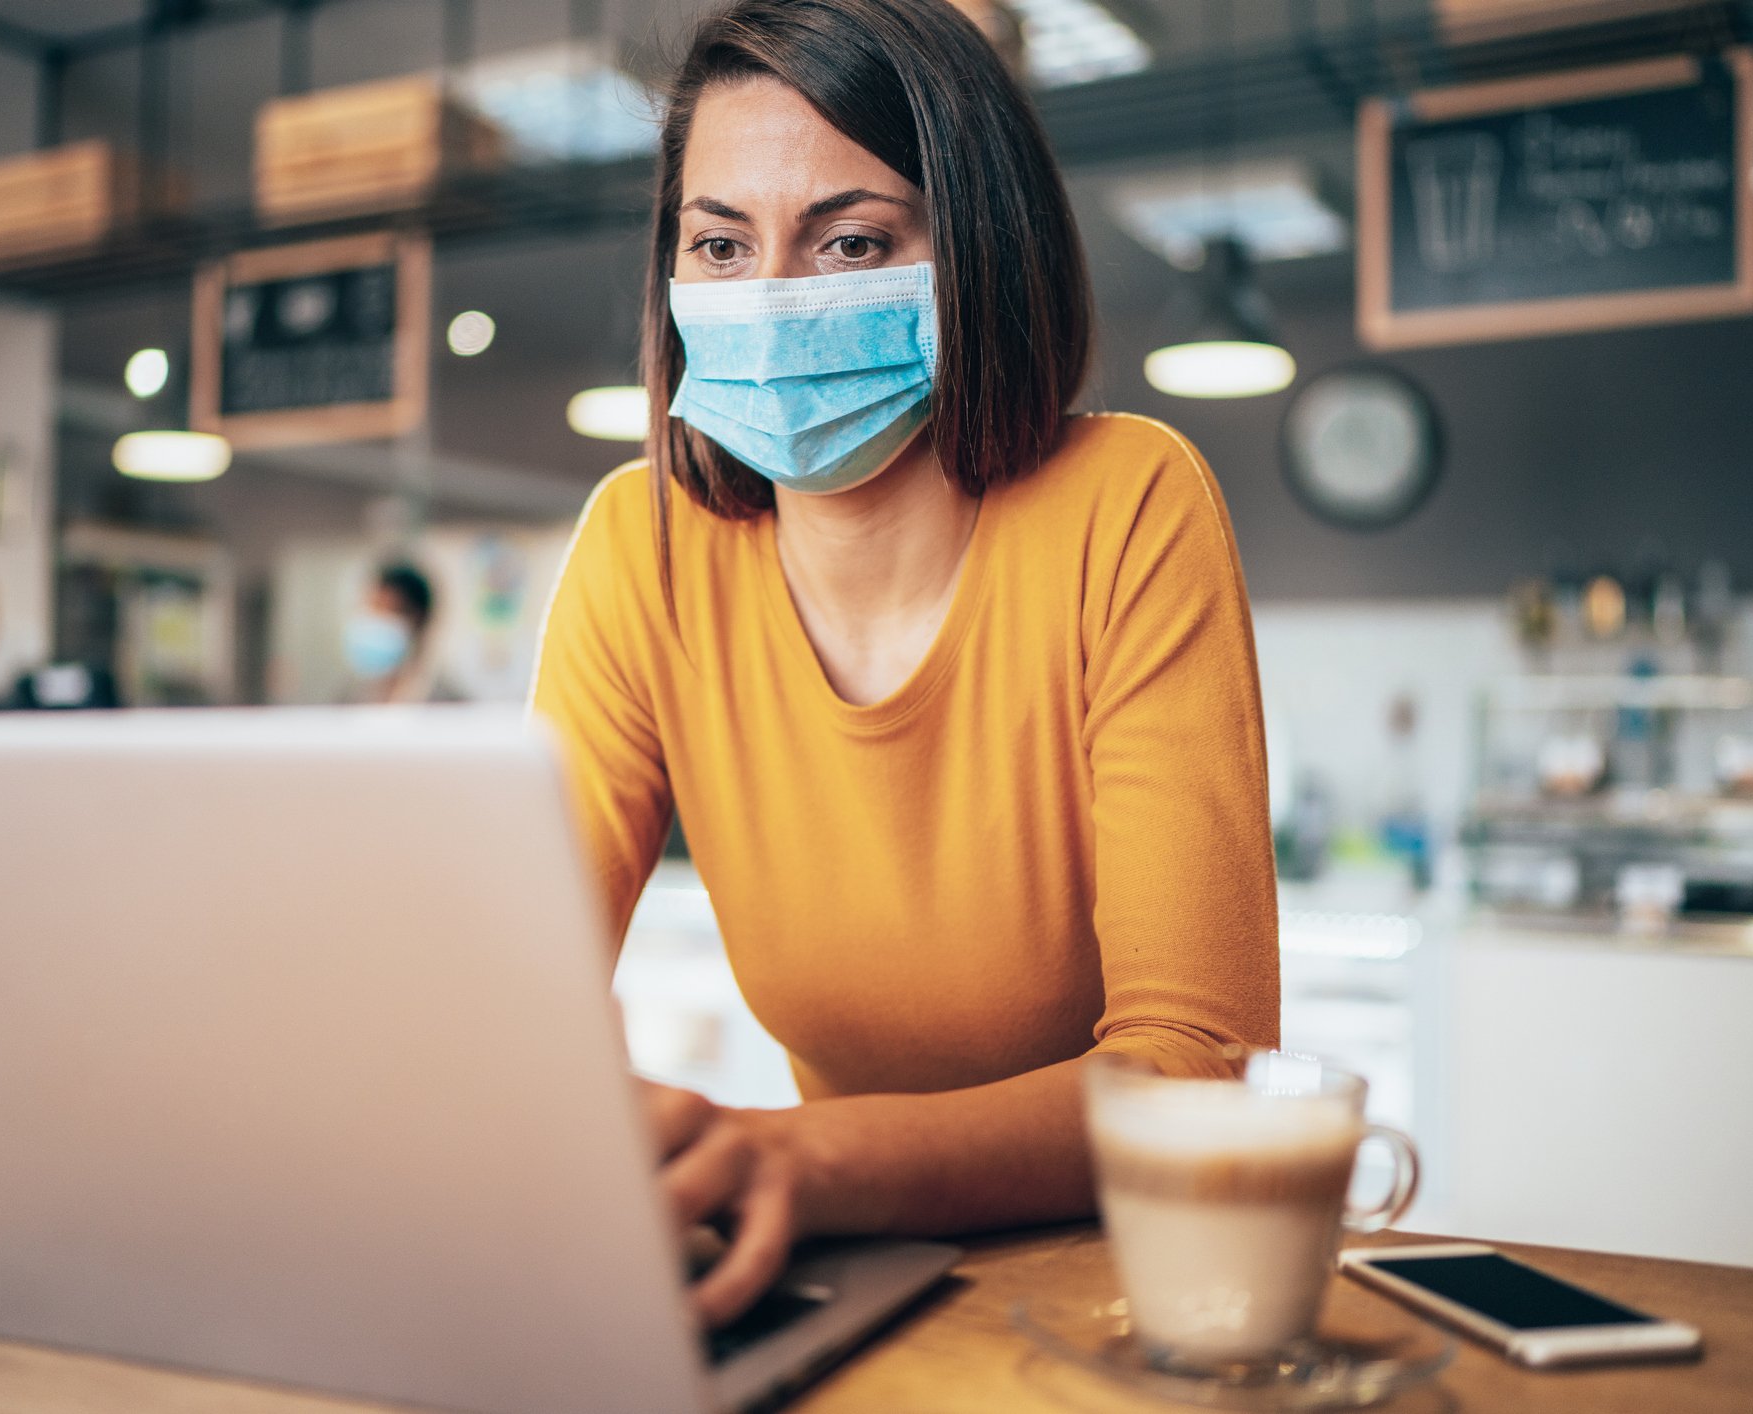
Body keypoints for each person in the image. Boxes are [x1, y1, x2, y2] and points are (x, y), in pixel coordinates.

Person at [530, 0, 1279, 1328]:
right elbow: (505, 985)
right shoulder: (637, 547)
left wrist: (791, 1156)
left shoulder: (1131, 504)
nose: (769, 297)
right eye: (718, 243)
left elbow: (1190, 1070)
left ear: (972, 253)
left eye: (852, 241)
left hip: (1128, 1285)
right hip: (841, 1268)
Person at [343, 562, 444, 705]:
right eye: (371, 609)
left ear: (416, 619)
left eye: (387, 610)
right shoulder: (351, 695)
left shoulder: (444, 699)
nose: (375, 623)